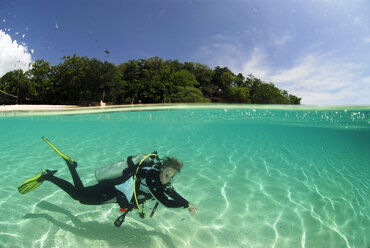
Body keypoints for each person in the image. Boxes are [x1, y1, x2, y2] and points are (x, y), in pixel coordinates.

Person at [18, 138, 197, 226]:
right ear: (163, 168)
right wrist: (185, 205)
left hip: (113, 189)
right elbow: (165, 201)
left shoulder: (158, 177)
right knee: (80, 196)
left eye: (173, 177)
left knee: (80, 194)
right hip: (110, 189)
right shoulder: (152, 178)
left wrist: (187, 203)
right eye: (168, 174)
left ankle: (69, 165)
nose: (169, 179)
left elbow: (171, 192)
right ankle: (50, 175)